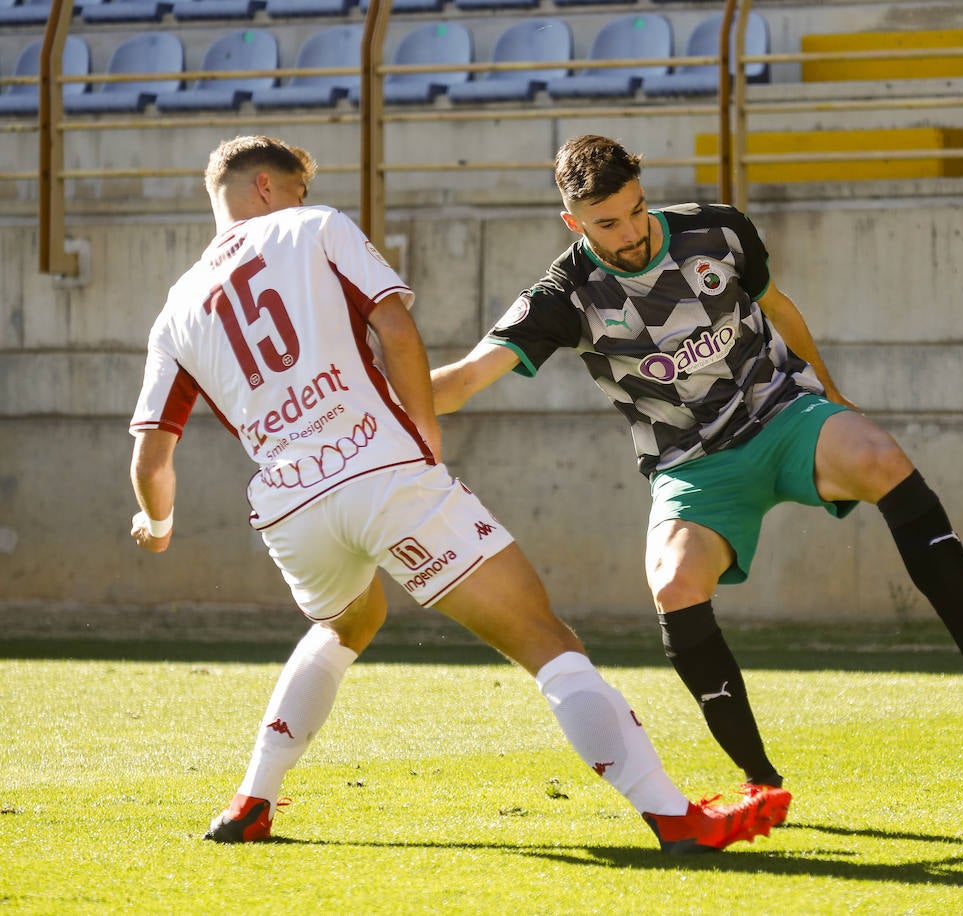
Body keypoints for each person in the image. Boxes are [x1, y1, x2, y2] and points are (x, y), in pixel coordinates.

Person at [127, 135, 790, 853]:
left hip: (291, 506)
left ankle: (252, 799)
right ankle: (674, 817)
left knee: (345, 624)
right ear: (265, 188)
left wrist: (157, 522)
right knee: (544, 638)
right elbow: (393, 325)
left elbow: (152, 453)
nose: (298, 198)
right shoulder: (313, 226)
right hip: (382, 470)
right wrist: (422, 438)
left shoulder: (175, 309)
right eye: (294, 188)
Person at [430, 134, 963, 793]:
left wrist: (831, 394)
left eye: (637, 210)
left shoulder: (716, 231)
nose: (632, 232)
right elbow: (467, 378)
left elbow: (778, 308)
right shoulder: (564, 294)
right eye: (607, 223)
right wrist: (376, 399)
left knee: (879, 456)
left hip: (781, 415)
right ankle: (763, 785)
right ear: (573, 222)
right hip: (690, 467)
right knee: (674, 587)